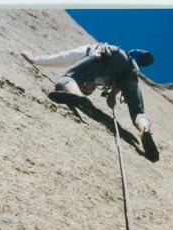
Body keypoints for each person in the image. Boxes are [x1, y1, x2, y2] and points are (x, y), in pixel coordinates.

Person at [21, 43, 158, 159]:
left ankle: (76, 95)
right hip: (131, 70)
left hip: (112, 54)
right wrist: (112, 95)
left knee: (65, 78)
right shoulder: (127, 65)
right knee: (137, 112)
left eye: (85, 89)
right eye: (88, 90)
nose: (90, 89)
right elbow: (121, 78)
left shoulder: (86, 53)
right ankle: (145, 130)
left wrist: (35, 60)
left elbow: (63, 57)